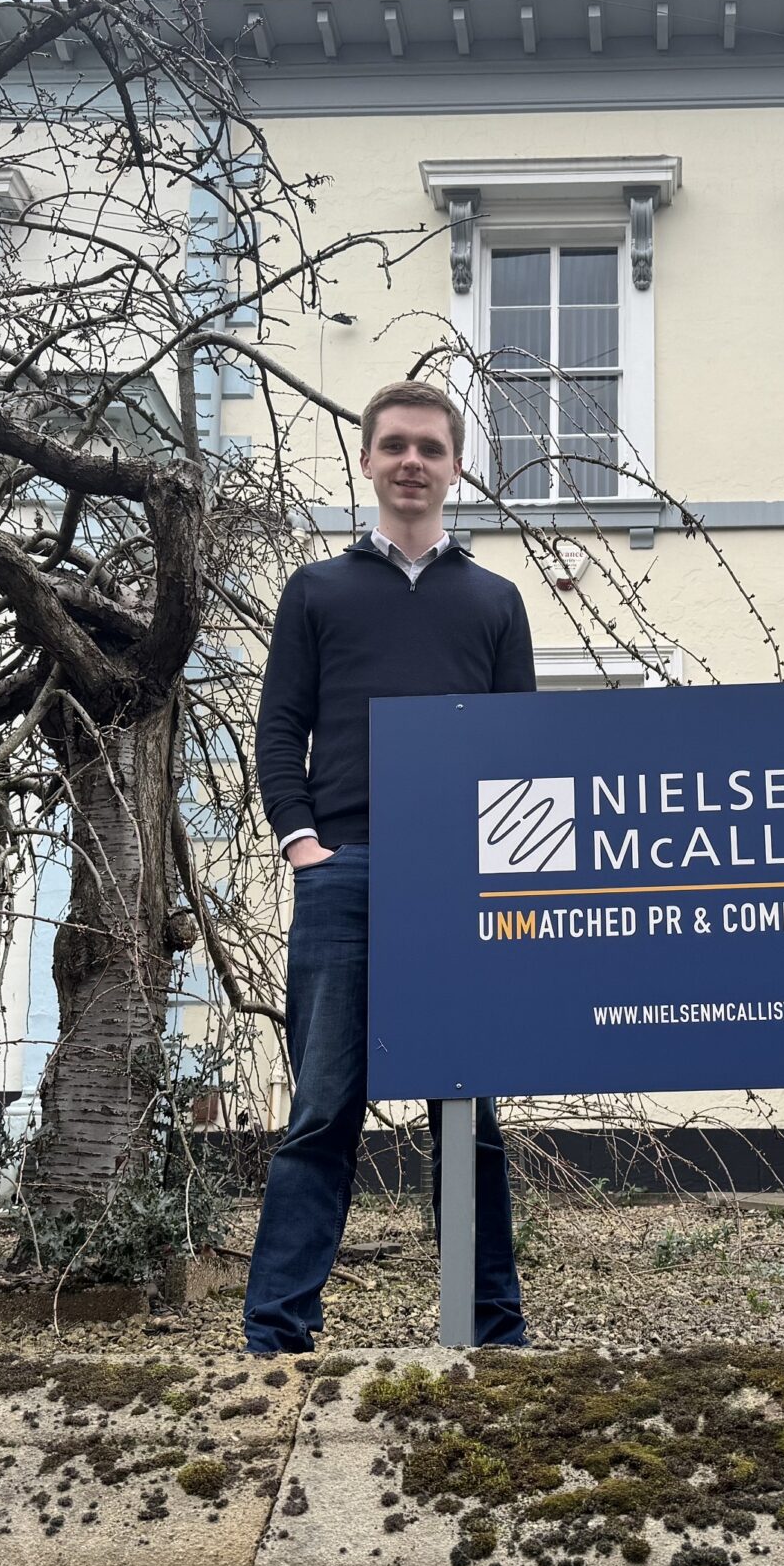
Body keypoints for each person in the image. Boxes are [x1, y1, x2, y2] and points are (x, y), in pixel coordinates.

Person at [245, 379, 535, 1354]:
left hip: (459, 888)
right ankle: (275, 1338)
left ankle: (492, 1333)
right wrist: (302, 842)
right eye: (396, 445)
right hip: (345, 873)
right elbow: (280, 729)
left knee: (469, 1116)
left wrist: (501, 873)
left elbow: (518, 751)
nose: (413, 461)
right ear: (368, 460)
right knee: (322, 1111)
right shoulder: (316, 592)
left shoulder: (494, 602)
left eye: (431, 448)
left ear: (455, 469)